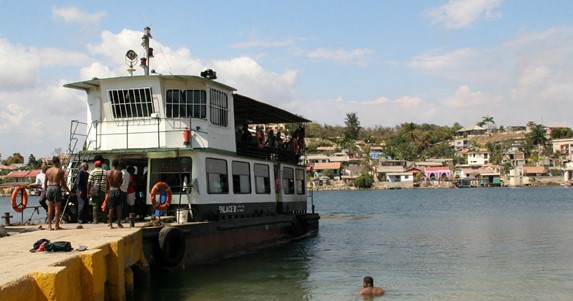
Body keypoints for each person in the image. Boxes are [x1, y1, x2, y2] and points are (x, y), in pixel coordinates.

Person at [44, 156, 72, 231]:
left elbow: (45, 182)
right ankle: (56, 225)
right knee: (57, 207)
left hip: (49, 187)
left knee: (49, 207)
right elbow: (63, 183)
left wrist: (46, 190)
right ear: (58, 162)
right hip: (56, 187)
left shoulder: (47, 171)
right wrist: (69, 192)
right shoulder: (60, 171)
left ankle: (49, 226)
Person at [106, 160, 124, 228]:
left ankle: (110, 224)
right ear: (118, 165)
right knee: (119, 207)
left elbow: (107, 183)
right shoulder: (119, 172)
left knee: (111, 208)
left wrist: (106, 192)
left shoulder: (107, 172)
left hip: (110, 190)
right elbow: (121, 182)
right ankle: (119, 223)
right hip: (117, 190)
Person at [75, 162, 89, 227]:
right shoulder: (80, 172)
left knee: (86, 205)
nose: (88, 166)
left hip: (85, 190)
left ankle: (85, 219)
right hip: (81, 190)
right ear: (83, 166)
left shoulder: (86, 173)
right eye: (86, 165)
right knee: (81, 205)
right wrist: (80, 190)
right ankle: (80, 219)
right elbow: (78, 182)